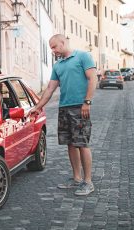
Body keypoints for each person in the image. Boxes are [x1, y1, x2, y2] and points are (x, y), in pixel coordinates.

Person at [31, 34, 97, 196]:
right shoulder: (58, 65)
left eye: (54, 47)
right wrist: (38, 107)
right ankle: (76, 178)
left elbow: (92, 79)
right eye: (51, 48)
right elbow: (49, 90)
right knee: (70, 144)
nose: (52, 50)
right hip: (64, 108)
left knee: (82, 143)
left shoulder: (83, 56)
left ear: (63, 42)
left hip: (80, 107)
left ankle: (88, 182)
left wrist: (87, 102)